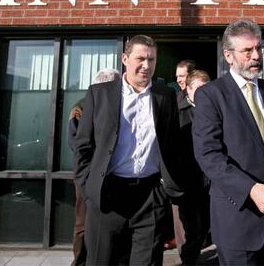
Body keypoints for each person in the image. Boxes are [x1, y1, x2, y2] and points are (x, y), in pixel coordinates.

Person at [192, 20, 264, 265]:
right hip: (239, 220)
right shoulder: (211, 95)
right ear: (228, 55)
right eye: (247, 51)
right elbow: (208, 155)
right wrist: (251, 189)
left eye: (259, 49)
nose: (256, 56)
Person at [73, 35, 184, 266]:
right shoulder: (99, 93)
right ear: (125, 58)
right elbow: (83, 146)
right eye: (140, 58)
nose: (146, 65)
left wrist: (164, 189)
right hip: (108, 196)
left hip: (149, 197)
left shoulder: (165, 95)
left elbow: (173, 146)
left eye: (151, 59)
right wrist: (89, 186)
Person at [67, 68, 120, 266]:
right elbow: (77, 145)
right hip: (89, 175)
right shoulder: (82, 107)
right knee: (84, 221)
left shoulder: (116, 106)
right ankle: (80, 262)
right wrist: (86, 177)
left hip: (110, 175)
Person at [172, 70, 211, 265]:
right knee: (188, 228)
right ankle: (188, 260)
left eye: (207, 89)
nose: (203, 93)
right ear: (188, 89)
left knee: (204, 225)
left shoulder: (214, 110)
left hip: (208, 180)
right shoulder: (177, 111)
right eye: (198, 89)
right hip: (185, 179)